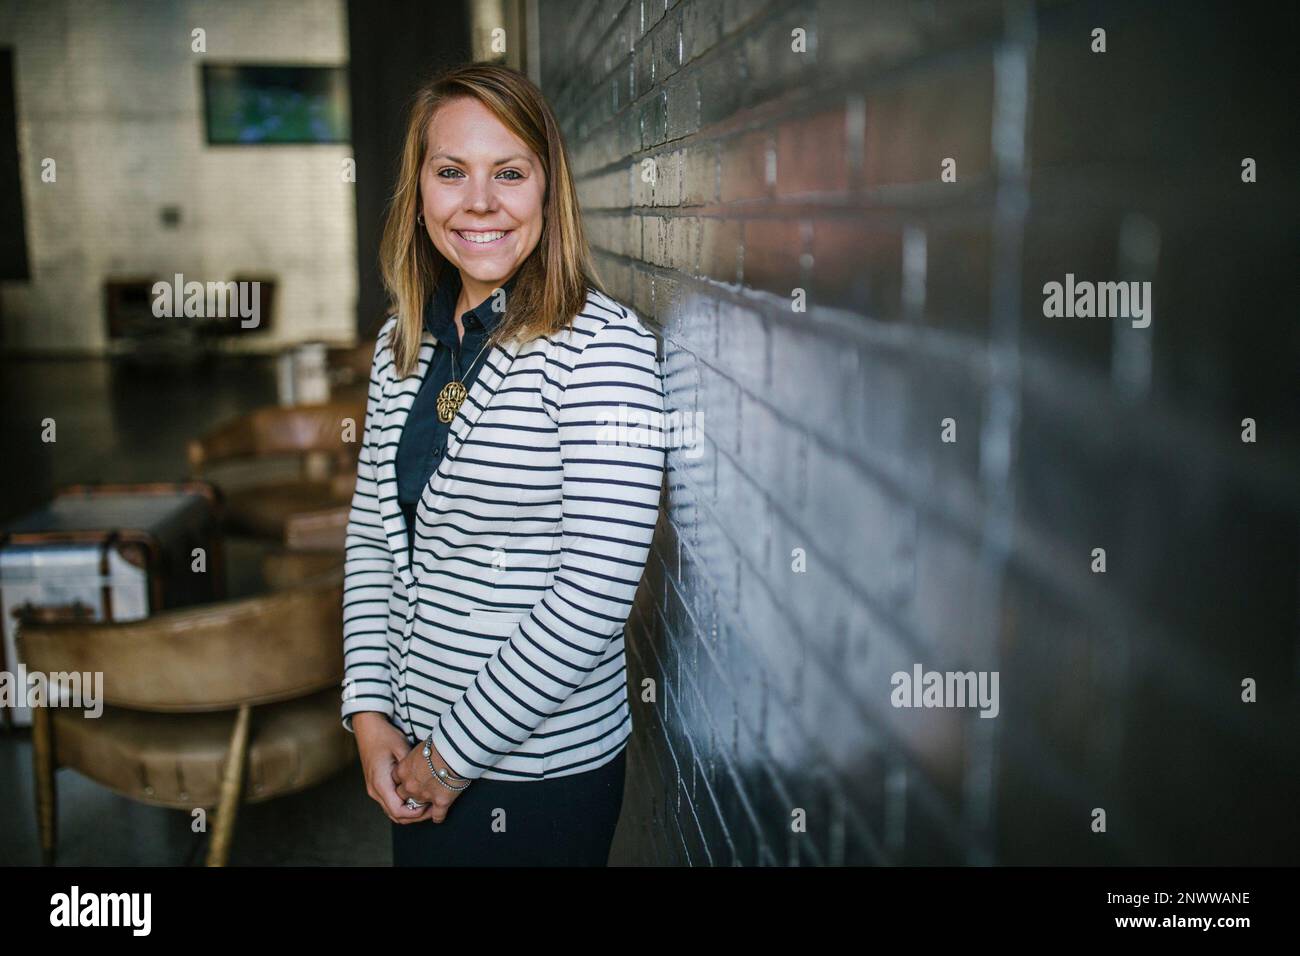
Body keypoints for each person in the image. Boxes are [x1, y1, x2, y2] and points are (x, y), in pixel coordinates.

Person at [339, 62, 666, 866]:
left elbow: (594, 593)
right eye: (451, 172)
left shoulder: (604, 351)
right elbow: (376, 544)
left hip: (537, 779)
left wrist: (449, 757)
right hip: (411, 756)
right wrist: (370, 714)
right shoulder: (400, 346)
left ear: (548, 192)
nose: (478, 201)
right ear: (419, 195)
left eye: (509, 173)